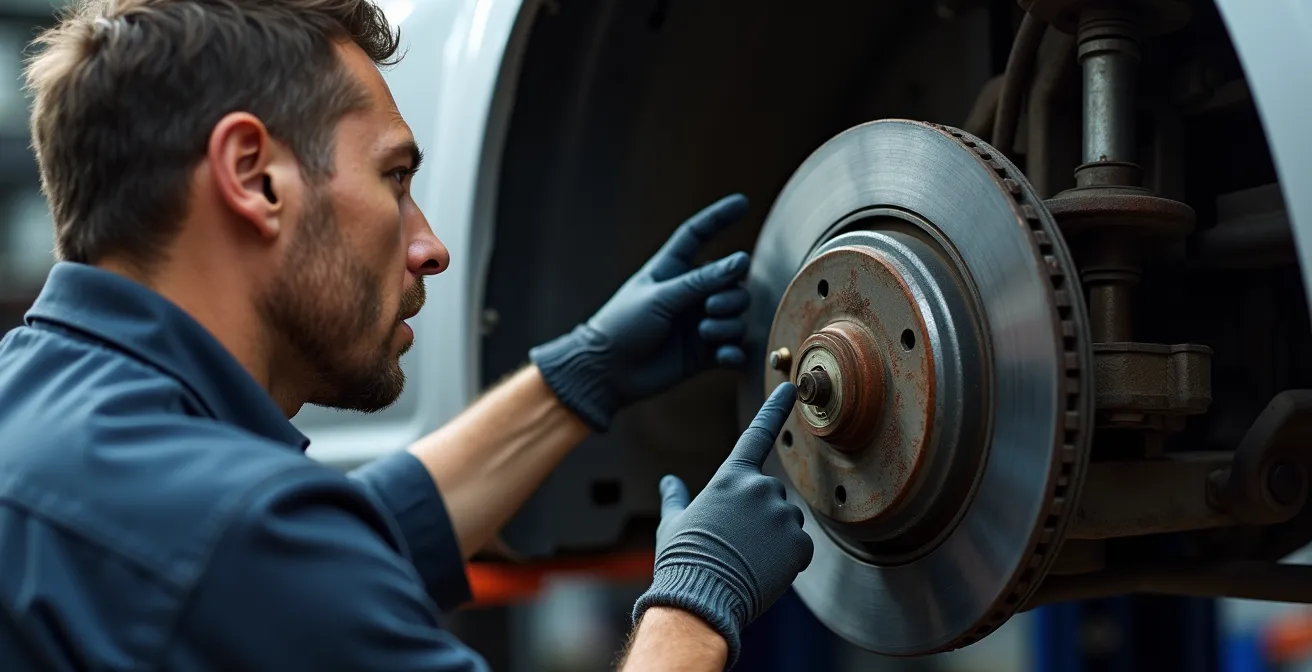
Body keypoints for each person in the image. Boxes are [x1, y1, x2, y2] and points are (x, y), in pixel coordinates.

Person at [0, 1, 814, 670]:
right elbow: (269, 559)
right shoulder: (227, 535)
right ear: (253, 176)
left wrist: (580, 377)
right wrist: (697, 600)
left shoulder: (40, 406)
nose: (429, 244)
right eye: (394, 178)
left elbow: (327, 551)